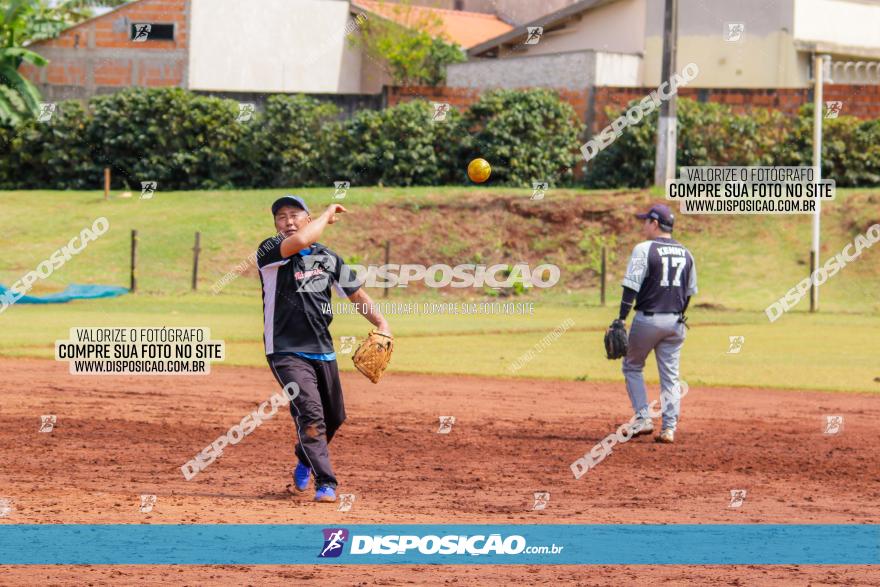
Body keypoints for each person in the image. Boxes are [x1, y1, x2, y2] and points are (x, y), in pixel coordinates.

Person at [257, 195, 390, 502]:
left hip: (323, 349)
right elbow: (303, 238)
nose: (288, 221)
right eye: (281, 217)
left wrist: (383, 324)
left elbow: (356, 296)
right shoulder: (270, 251)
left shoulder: (328, 258)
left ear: (307, 216)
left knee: (335, 417)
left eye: (294, 215)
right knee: (311, 414)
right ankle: (326, 483)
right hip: (285, 350)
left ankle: (304, 457)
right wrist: (329, 213)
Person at [611, 204, 697, 444]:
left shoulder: (644, 249)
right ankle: (669, 428)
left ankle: (643, 418)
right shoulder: (687, 252)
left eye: (645, 221)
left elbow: (631, 287)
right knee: (670, 376)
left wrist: (620, 319)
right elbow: (689, 293)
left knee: (632, 366)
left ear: (655, 223)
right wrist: (678, 314)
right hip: (676, 321)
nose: (643, 225)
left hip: (648, 319)